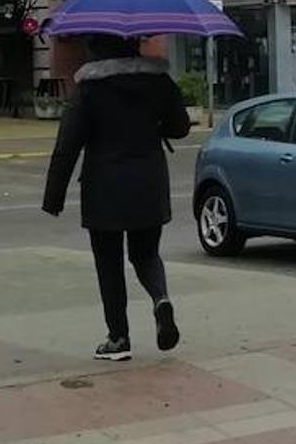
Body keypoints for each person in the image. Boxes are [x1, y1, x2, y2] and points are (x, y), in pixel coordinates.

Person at [42, 35, 192, 361]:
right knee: (146, 254)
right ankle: (160, 298)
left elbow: (67, 145)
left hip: (104, 185)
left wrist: (53, 197)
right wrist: (153, 125)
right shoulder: (159, 81)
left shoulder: (89, 88)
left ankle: (118, 338)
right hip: (149, 181)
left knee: (108, 263)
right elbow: (181, 127)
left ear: (95, 49)